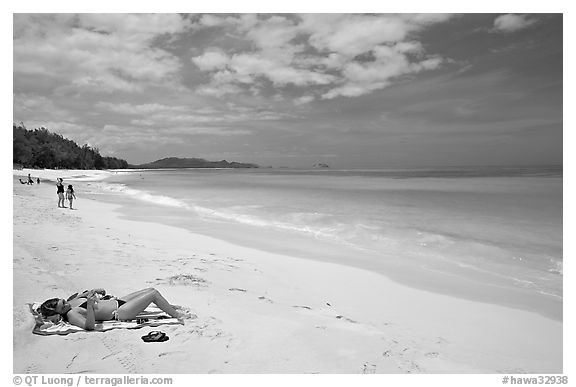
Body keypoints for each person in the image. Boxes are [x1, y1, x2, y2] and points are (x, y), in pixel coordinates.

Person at [39, 288, 182, 330]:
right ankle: (178, 315)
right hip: (120, 313)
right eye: (62, 306)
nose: (66, 304)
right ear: (60, 313)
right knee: (153, 295)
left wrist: (93, 291)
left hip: (118, 302)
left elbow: (82, 295)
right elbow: (89, 326)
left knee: (151, 289)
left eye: (62, 301)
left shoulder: (70, 303)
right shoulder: (72, 314)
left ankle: (168, 308)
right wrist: (89, 306)